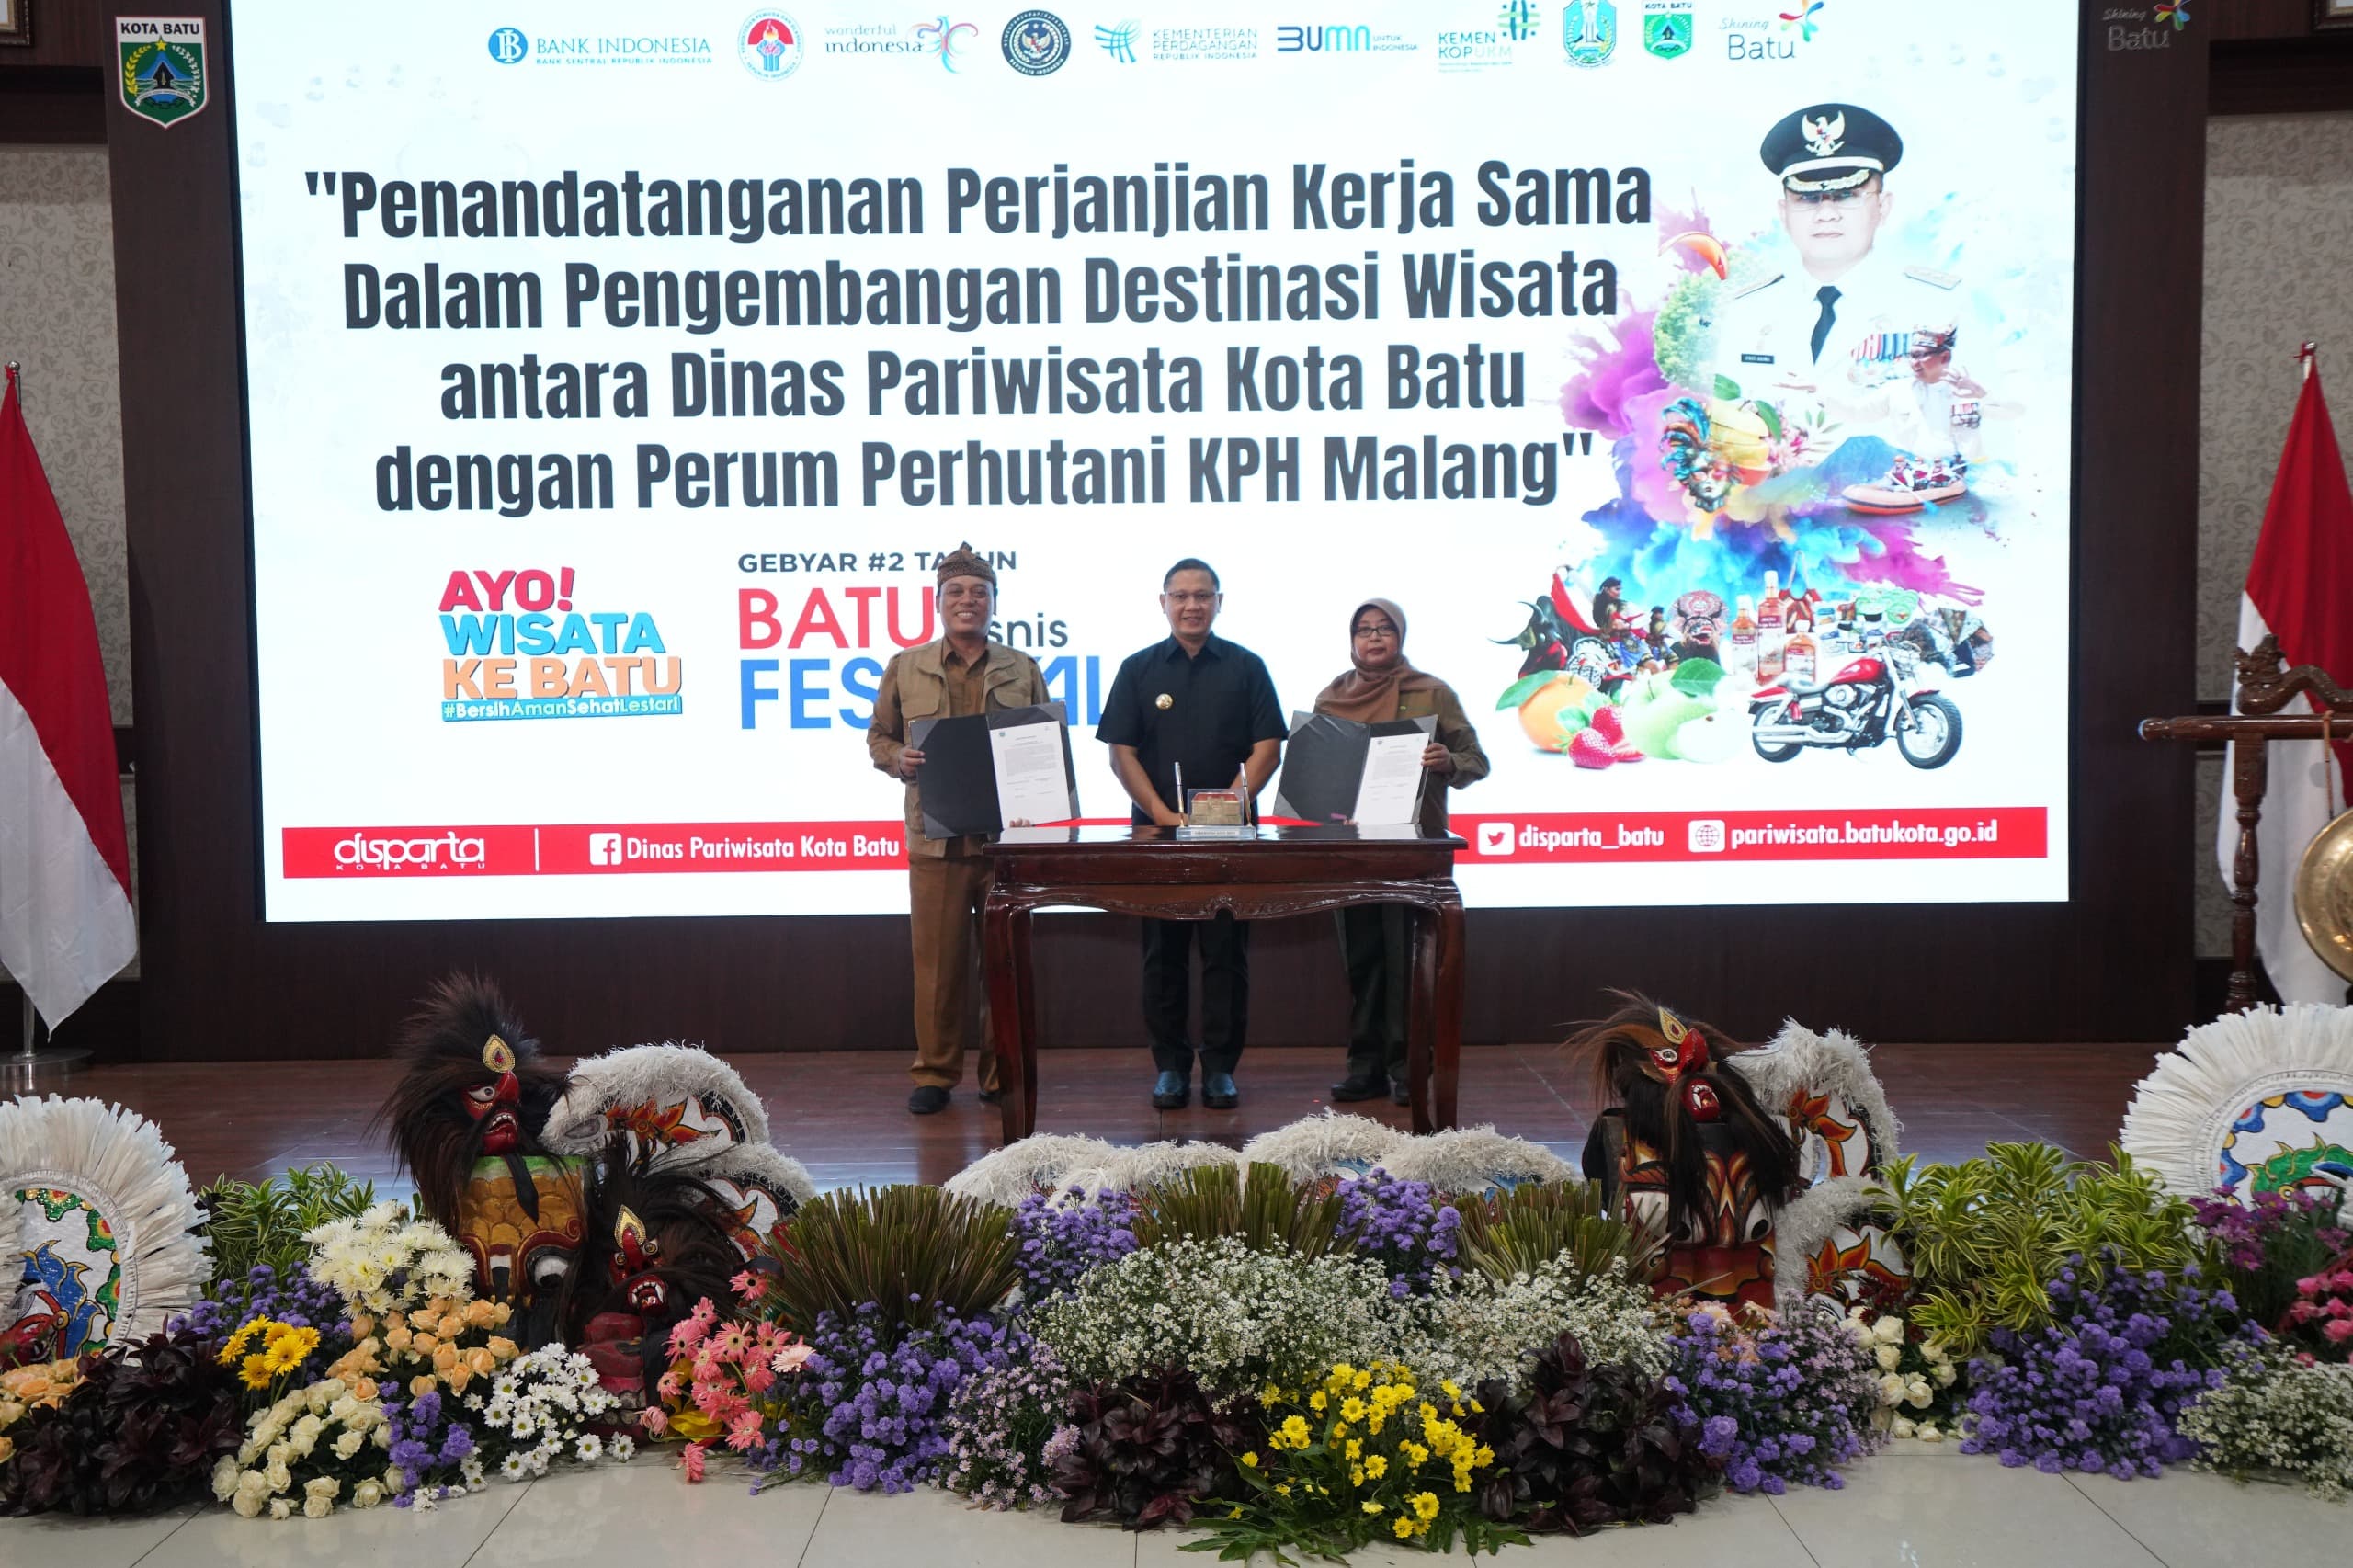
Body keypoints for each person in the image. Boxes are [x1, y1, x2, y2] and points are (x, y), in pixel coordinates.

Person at [1711, 101, 1990, 496]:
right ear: (1784, 212)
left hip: (1907, 510)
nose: (1826, 214)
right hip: (1774, 513)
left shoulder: (1941, 304)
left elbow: (1984, 429)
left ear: (1883, 206)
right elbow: (1726, 426)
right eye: (1808, 199)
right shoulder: (1747, 310)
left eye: (1847, 195)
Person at [866, 544, 1050, 1116]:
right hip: (935, 839)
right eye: (956, 592)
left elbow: (1044, 742)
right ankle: (935, 1074)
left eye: (979, 592)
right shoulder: (906, 665)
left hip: (1004, 843)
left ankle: (1001, 1073)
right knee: (938, 968)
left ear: (994, 602)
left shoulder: (1022, 668)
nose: (968, 600)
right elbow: (878, 737)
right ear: (938, 601)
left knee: (1004, 963)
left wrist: (1040, 800)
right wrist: (897, 759)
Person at [1097, 559, 1285, 1110]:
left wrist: (1227, 809)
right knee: (1163, 954)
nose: (1192, 605)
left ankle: (1221, 1068)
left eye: (1202, 595)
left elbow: (1268, 749)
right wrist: (1160, 814)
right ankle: (1172, 1067)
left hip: (1230, 836)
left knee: (1226, 954)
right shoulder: (1137, 669)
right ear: (1163, 603)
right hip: (1158, 837)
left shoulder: (1248, 667)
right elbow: (1121, 753)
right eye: (1180, 596)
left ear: (1219, 602)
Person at [1314, 599, 1489, 1106]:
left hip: (1413, 851)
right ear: (1352, 640)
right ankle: (1365, 1069)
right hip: (1352, 853)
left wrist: (1447, 759)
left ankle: (1409, 1070)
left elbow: (1476, 760)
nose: (1374, 637)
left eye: (1384, 628)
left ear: (1400, 636)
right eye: (1364, 630)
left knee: (1409, 964)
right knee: (1363, 961)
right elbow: (1317, 776)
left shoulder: (1432, 692)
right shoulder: (1331, 699)